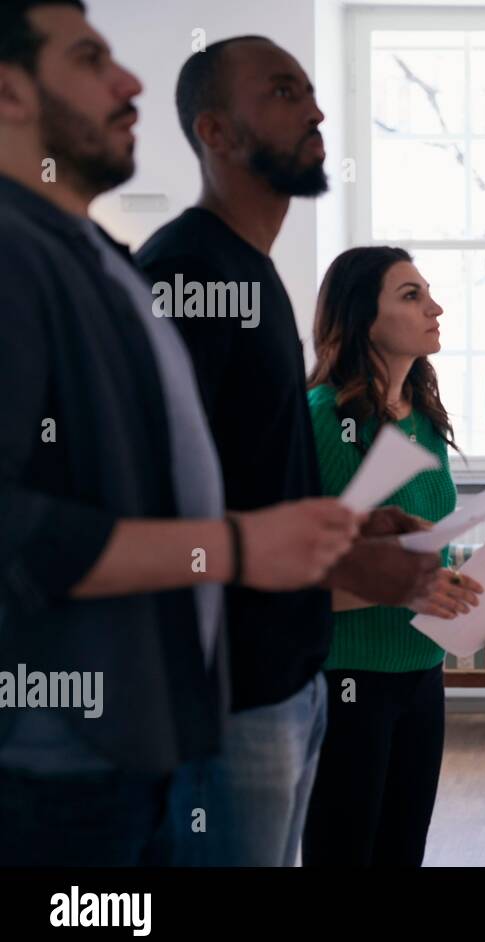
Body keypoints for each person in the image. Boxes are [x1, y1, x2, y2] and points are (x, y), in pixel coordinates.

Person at [0, 0, 359, 866]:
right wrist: (233, 548)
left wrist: (323, 542)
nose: (128, 82)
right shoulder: (26, 255)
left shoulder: (97, 256)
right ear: (11, 93)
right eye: (90, 59)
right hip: (63, 755)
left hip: (142, 732)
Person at [136, 37, 446, 866]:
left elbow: (244, 482)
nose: (313, 110)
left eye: (312, 91)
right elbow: (155, 503)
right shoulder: (189, 272)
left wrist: (354, 536)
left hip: (284, 676)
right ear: (216, 131)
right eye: (282, 93)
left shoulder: (253, 276)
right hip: (226, 690)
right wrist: (346, 568)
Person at [301, 247, 485, 865]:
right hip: (347, 679)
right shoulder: (325, 419)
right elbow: (300, 576)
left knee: (402, 854)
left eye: (429, 293)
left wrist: (479, 612)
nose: (435, 308)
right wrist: (408, 586)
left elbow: (428, 551)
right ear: (361, 316)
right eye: (410, 295)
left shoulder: (423, 421)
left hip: (421, 675)